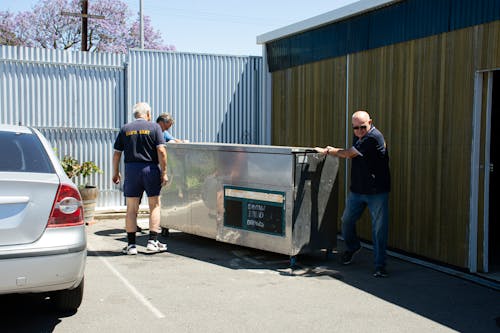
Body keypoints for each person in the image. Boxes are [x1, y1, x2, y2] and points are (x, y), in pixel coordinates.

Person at [315, 110, 390, 277]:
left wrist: (329, 150)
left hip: (377, 192)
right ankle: (353, 247)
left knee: (379, 230)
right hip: (358, 190)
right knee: (346, 221)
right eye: (355, 128)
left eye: (362, 127)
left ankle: (380, 265)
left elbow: (349, 153)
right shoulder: (360, 136)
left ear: (370, 122)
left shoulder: (374, 137)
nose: (359, 131)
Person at [112, 102, 169, 255]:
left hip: (131, 170)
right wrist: (164, 172)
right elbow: (162, 152)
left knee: (131, 209)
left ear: (135, 114)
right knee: (154, 206)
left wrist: (115, 172)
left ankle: (131, 246)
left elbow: (117, 153)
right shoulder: (155, 127)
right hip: (150, 169)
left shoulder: (125, 129)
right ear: (148, 114)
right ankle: (152, 242)